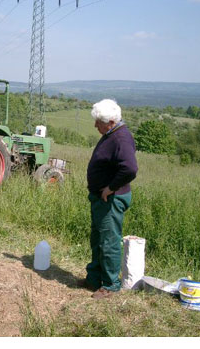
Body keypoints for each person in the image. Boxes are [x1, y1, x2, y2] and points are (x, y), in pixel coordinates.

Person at [80, 98, 138, 300]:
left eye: (99, 122)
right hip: (100, 199)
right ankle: (94, 279)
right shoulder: (111, 133)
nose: (95, 125)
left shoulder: (121, 138)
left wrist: (110, 188)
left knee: (109, 242)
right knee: (97, 239)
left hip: (111, 200)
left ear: (111, 122)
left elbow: (130, 168)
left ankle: (111, 285)